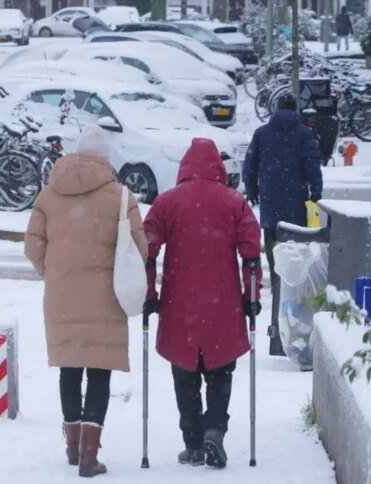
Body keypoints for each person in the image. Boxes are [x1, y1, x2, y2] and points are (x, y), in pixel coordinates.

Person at [25, 124, 148, 478]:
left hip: (62, 297)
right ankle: (89, 457)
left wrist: (53, 272)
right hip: (105, 298)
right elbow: (139, 249)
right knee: (98, 372)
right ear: (106, 160)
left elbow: (32, 245)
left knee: (69, 369)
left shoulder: (49, 195)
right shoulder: (122, 197)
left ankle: (72, 444)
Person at [143, 138, 263, 469]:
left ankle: (193, 441)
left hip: (179, 303)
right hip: (222, 303)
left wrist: (148, 295)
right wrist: (252, 297)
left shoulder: (167, 202)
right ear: (218, 168)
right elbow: (251, 253)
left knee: (184, 371)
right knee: (220, 370)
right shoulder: (234, 202)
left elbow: (146, 251)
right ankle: (215, 430)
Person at [244, 93, 322, 356]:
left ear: (276, 109)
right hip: (296, 211)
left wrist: (253, 190)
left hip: (271, 209)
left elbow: (250, 166)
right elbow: (313, 164)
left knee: (276, 260)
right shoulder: (303, 134)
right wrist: (315, 192)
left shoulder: (262, 133)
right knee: (297, 262)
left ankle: (277, 320)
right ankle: (293, 311)